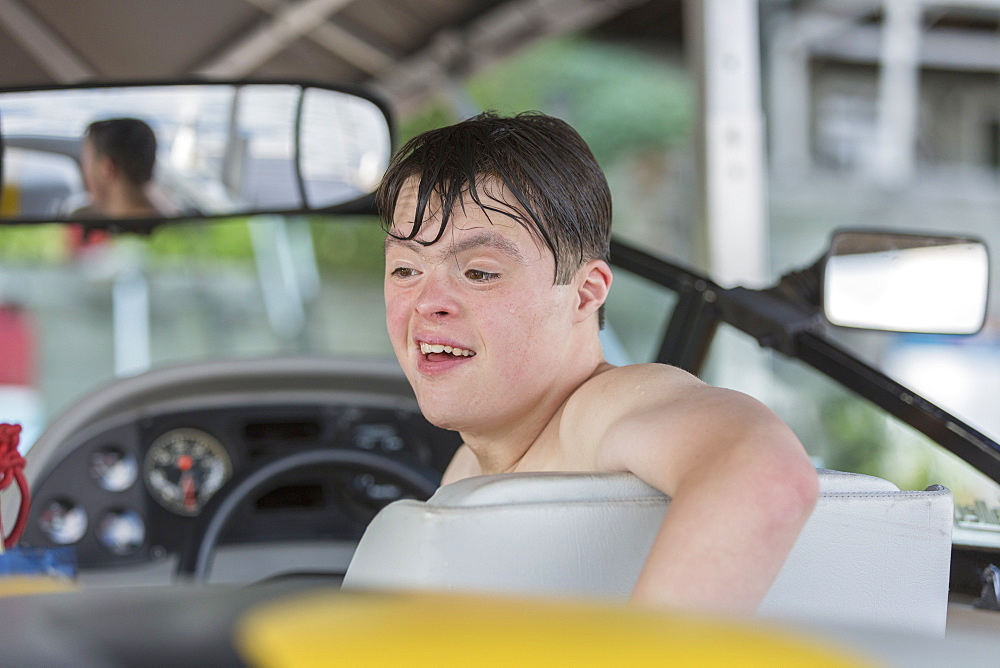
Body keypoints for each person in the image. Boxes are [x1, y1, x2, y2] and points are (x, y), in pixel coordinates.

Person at [379, 111, 818, 614]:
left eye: (479, 272)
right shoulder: (472, 463)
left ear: (585, 294)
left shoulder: (598, 411)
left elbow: (766, 477)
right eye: (406, 268)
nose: (427, 301)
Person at [79, 118, 162, 218]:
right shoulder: (176, 220)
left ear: (108, 168)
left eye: (87, 163)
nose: (84, 173)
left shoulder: (80, 224)